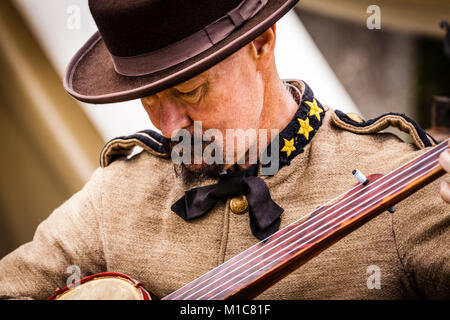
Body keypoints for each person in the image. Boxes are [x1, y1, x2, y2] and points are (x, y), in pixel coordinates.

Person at [0, 0, 449, 300]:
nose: (171, 127)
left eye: (191, 91)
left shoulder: (400, 185)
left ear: (261, 43)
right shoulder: (114, 196)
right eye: (150, 99)